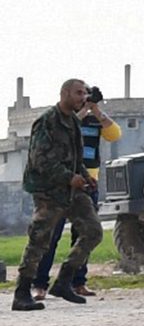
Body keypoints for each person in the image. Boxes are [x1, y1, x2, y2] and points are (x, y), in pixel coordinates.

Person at [13, 79, 108, 310]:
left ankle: (64, 281)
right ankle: (22, 292)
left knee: (93, 231)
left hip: (73, 190)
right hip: (49, 191)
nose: (83, 98)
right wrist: (69, 177)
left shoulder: (73, 122)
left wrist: (85, 177)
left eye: (85, 94)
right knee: (39, 240)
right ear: (64, 93)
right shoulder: (47, 122)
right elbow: (40, 160)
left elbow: (75, 158)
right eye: (78, 93)